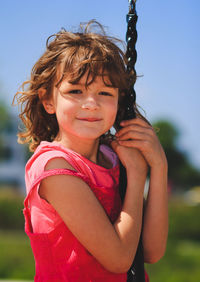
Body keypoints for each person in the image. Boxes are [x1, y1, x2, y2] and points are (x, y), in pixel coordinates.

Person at [14, 21, 168, 282]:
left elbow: (151, 251)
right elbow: (119, 259)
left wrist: (159, 166)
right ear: (48, 100)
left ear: (118, 100)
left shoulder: (115, 159)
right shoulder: (54, 167)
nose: (91, 104)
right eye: (75, 91)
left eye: (105, 92)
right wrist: (138, 173)